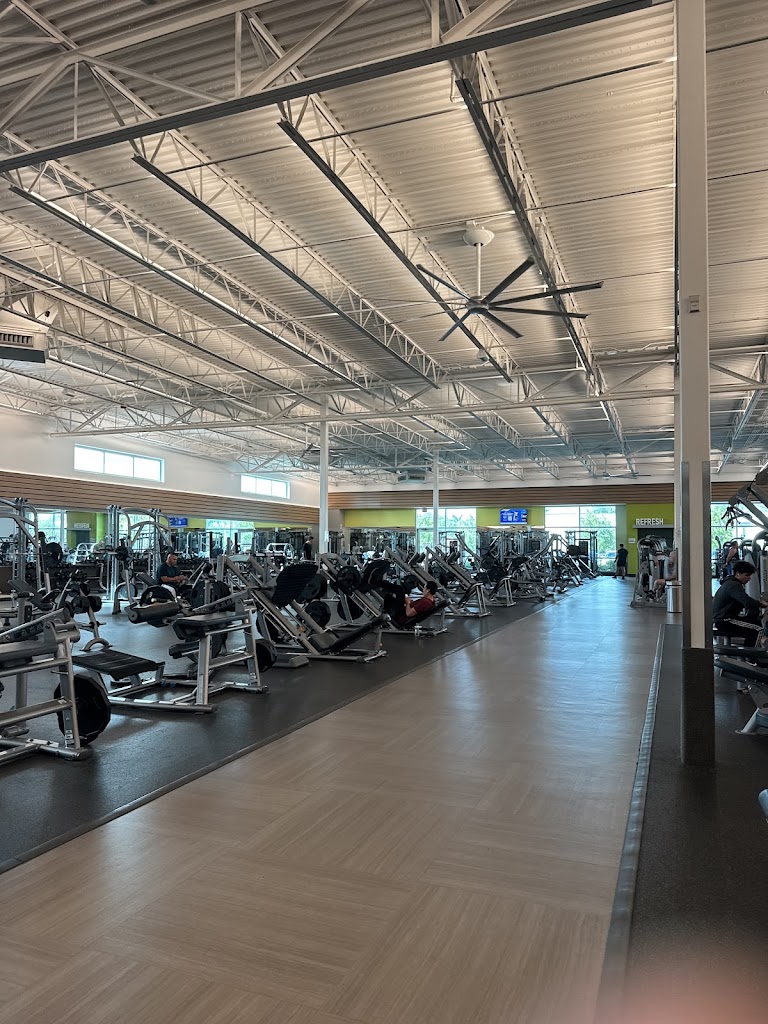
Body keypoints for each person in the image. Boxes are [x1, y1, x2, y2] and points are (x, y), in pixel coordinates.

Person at [712, 559, 768, 646]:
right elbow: (747, 602)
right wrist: (761, 604)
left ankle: (748, 649)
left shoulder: (730, 583)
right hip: (725, 621)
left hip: (723, 619)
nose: (749, 578)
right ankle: (751, 653)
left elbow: (746, 601)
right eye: (747, 575)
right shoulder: (733, 585)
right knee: (759, 630)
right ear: (738, 574)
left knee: (755, 622)